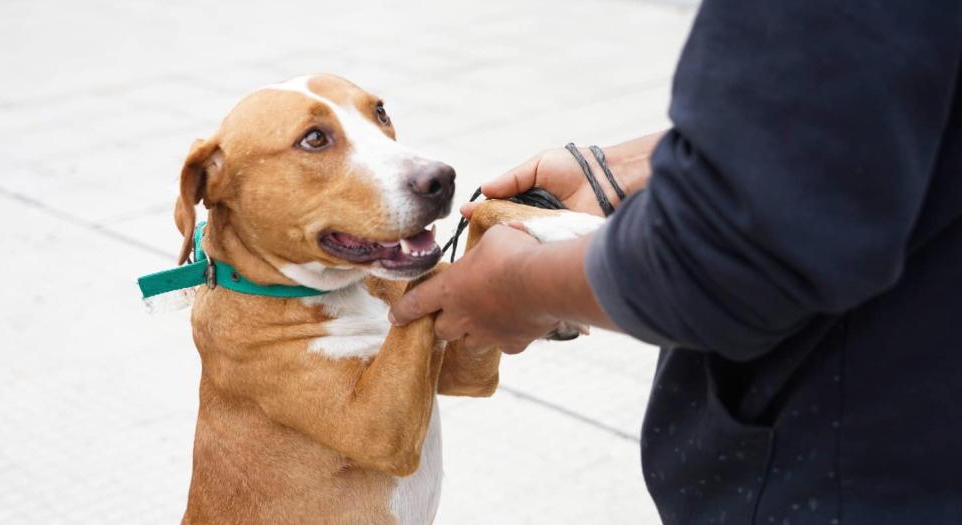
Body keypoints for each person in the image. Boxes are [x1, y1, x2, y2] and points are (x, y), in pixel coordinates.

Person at [389, 1, 962, 523]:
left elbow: (733, 255)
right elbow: (855, 104)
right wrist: (647, 163)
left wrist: (521, 289)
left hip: (850, 471)